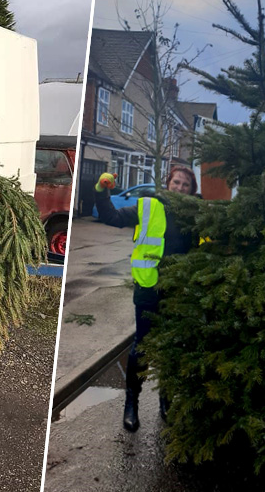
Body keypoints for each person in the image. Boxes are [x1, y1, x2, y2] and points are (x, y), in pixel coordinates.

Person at [93, 166, 199, 432]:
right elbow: (111, 216)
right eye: (176, 182)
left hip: (178, 291)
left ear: (192, 190)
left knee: (173, 347)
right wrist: (101, 191)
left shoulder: (195, 214)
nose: (180, 188)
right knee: (142, 346)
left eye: (186, 184)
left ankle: (166, 399)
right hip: (149, 287)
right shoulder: (148, 205)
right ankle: (132, 404)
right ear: (168, 183)